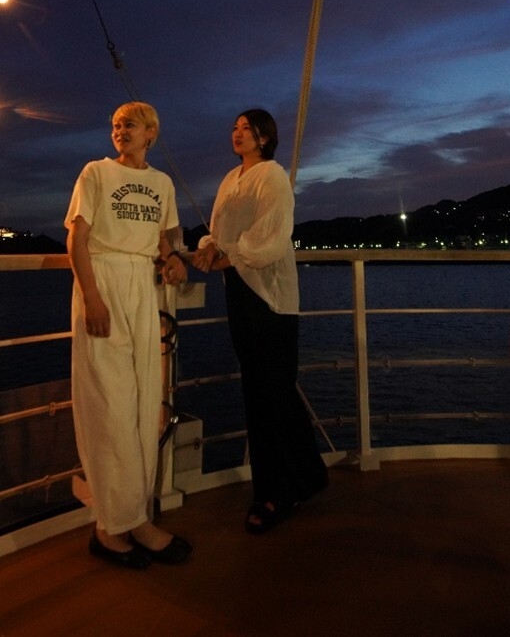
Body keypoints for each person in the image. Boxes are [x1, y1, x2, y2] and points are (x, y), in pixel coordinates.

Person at [65, 101, 192, 568]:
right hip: (103, 281)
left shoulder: (161, 184)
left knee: (142, 405)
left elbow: (164, 238)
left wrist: (172, 259)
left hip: (141, 286)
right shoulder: (96, 173)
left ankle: (134, 517)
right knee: (109, 405)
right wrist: (91, 297)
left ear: (151, 133)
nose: (121, 130)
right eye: (116, 124)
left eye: (130, 124)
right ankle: (109, 525)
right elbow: (77, 239)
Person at [192, 109, 327, 533]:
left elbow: (271, 236)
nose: (237, 133)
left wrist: (227, 257)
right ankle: (308, 475)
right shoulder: (231, 179)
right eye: (234, 127)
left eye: (246, 129)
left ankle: (277, 493)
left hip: (271, 298)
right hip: (240, 293)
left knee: (273, 395)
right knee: (262, 393)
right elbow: (219, 231)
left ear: (264, 138)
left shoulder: (272, 177)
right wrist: (209, 248)